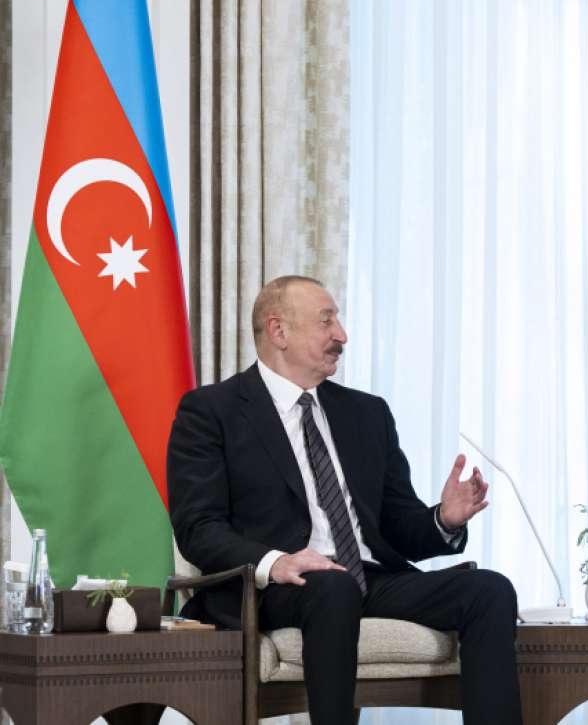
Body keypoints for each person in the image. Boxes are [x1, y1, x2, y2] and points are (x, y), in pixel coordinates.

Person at [168, 275, 521, 724]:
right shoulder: (210, 411)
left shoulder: (367, 412)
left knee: (490, 590)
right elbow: (199, 529)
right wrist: (277, 562)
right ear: (278, 331)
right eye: (326, 321)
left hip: (368, 577)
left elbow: (396, 524)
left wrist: (444, 520)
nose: (342, 335)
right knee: (332, 588)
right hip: (279, 586)